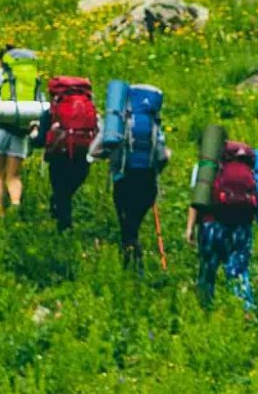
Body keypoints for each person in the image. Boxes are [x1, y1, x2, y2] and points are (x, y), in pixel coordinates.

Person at [189, 133, 258, 312]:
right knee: (239, 271)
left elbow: (197, 201)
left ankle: (204, 309)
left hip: (212, 225)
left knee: (207, 271)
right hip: (242, 224)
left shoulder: (206, 166)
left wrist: (190, 229)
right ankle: (245, 312)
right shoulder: (246, 163)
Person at [0, 45, 45, 216]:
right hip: (21, 131)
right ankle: (15, 206)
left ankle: (0, 214)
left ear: (1, 61)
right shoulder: (32, 80)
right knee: (14, 176)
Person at [104, 82, 169, 262]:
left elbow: (99, 148)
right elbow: (162, 156)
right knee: (133, 225)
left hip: (123, 179)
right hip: (147, 183)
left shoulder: (118, 121)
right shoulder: (154, 125)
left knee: (127, 227)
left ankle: (131, 264)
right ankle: (133, 264)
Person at [40, 72, 102, 231]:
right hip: (83, 154)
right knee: (66, 192)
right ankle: (60, 217)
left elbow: (39, 139)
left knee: (61, 192)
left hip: (59, 155)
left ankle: (63, 230)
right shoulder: (91, 109)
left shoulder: (51, 111)